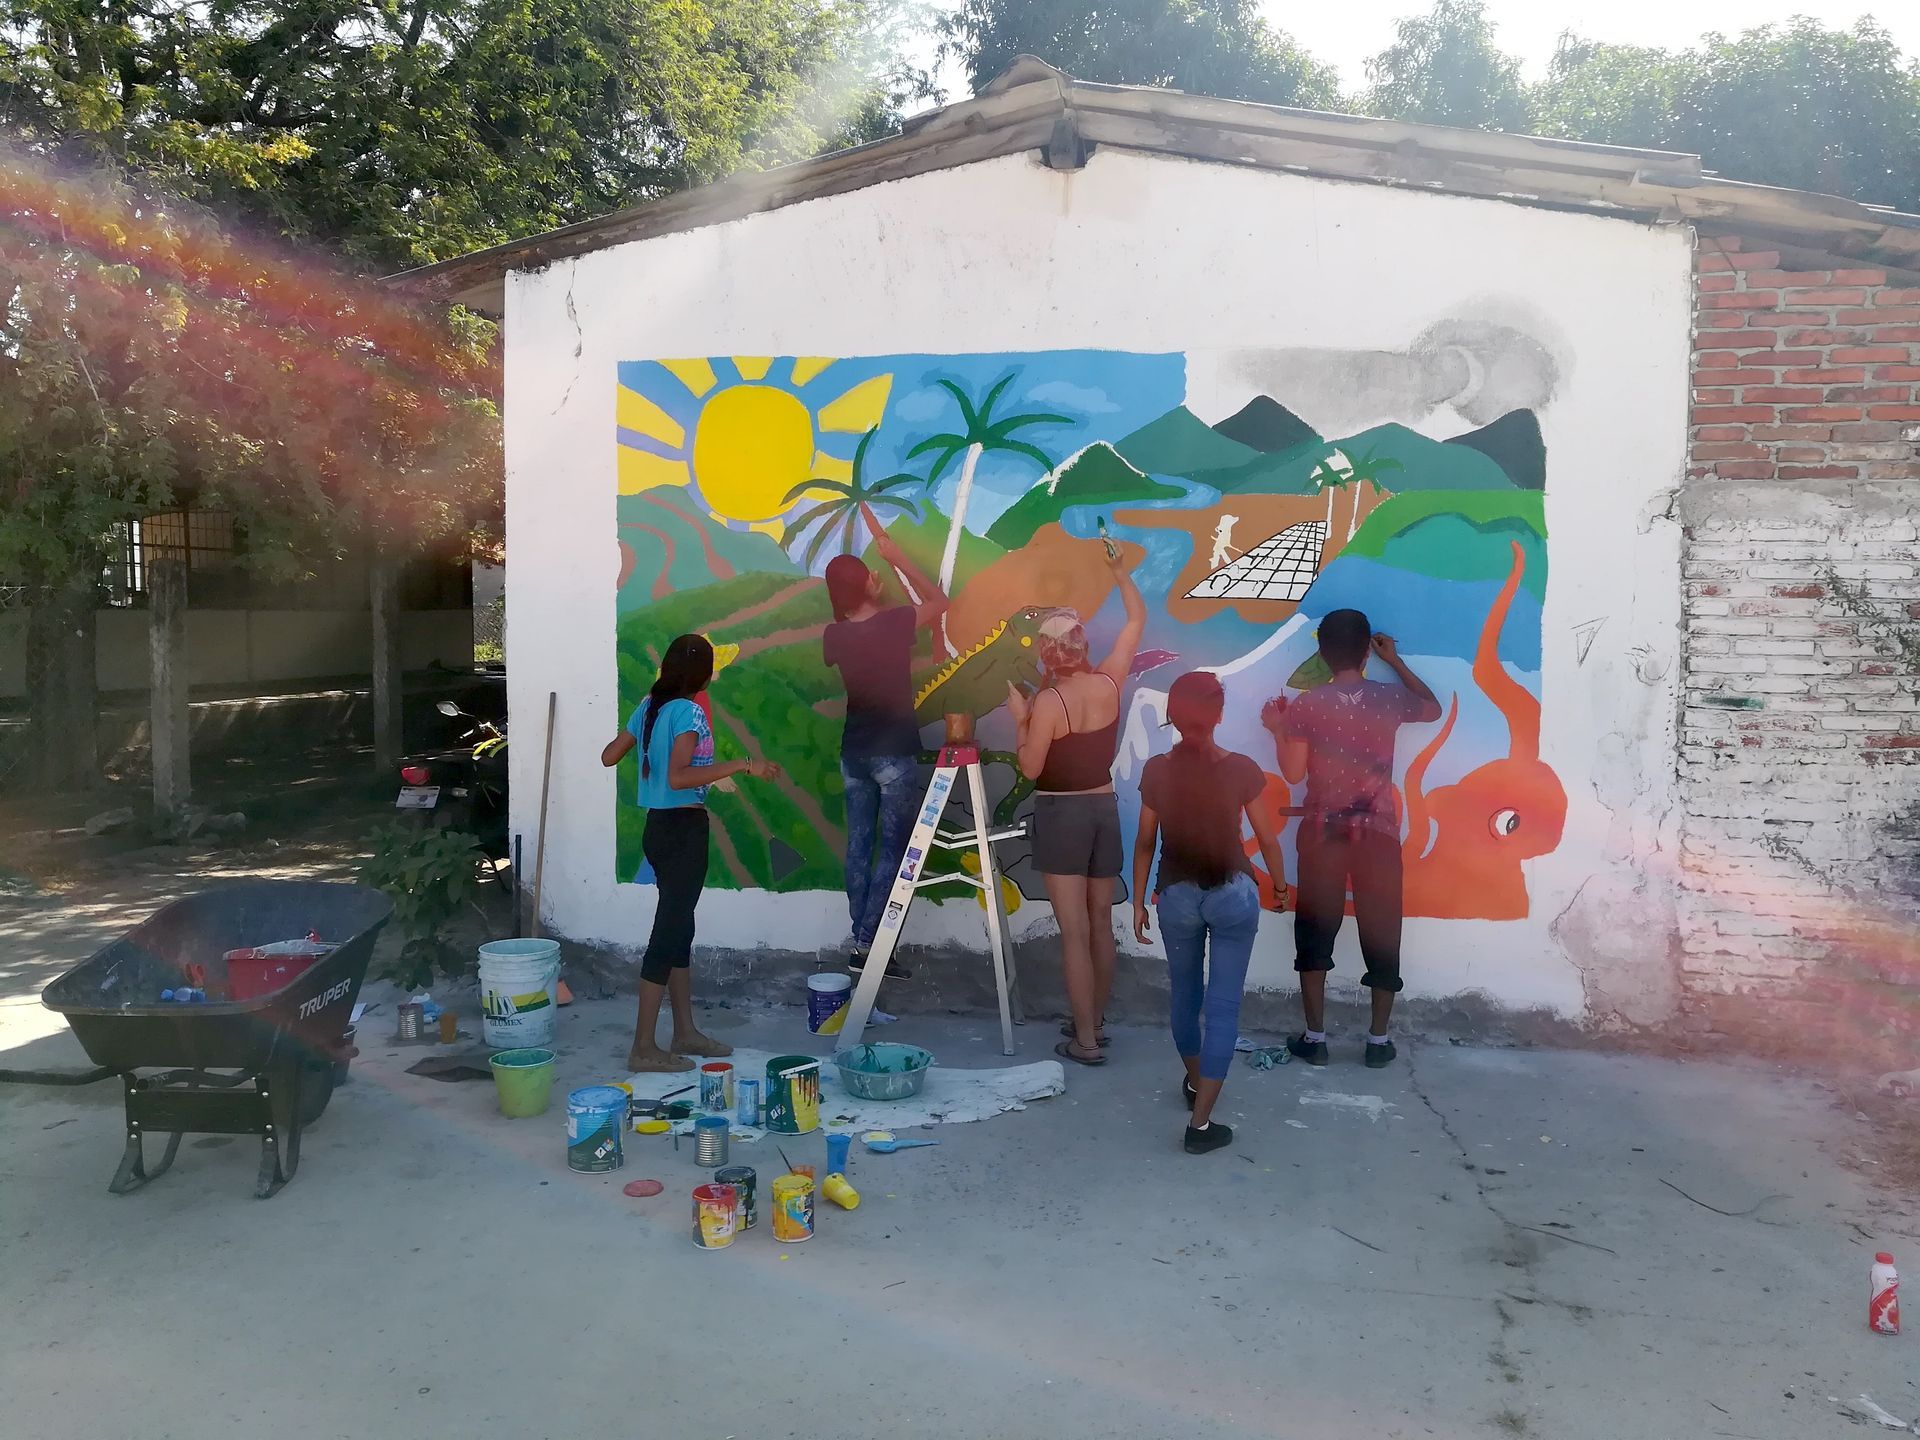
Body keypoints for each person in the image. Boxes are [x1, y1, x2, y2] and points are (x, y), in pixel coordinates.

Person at [1261, 609, 1441, 1069]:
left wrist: (1279, 730)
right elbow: (1432, 707)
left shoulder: (1307, 705)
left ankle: (1315, 1037)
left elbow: (1295, 772)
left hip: (1322, 832)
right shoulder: (1388, 699)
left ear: (1321, 653)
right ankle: (1378, 1041)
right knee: (1382, 930)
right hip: (1378, 834)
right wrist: (1396, 662)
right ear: (1367, 650)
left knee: (1315, 932)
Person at [601, 633, 781, 1072]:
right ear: (701, 675)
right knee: (668, 934)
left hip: (657, 830)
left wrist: (644, 734)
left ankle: (685, 1032)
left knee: (679, 927)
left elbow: (609, 757)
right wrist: (744, 765)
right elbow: (680, 777)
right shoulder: (689, 711)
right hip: (683, 830)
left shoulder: (650, 707)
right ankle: (643, 1047)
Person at [1132, 671, 1289, 1153]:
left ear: (1172, 718)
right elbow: (1266, 839)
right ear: (1219, 715)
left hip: (1176, 896)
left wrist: (1138, 900)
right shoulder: (1240, 768)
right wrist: (1279, 887)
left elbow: (1144, 842)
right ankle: (1201, 1125)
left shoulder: (1158, 769)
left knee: (1185, 997)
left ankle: (1197, 1081)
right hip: (1232, 894)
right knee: (1222, 1008)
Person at [1005, 549, 1146, 1067]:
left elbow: (1031, 769)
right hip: (1103, 810)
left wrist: (1021, 720)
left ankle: (1084, 1041)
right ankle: (1097, 1022)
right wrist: (1117, 572)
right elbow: (1136, 619)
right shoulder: (1109, 682)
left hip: (1062, 817)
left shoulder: (1048, 703)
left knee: (1074, 933)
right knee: (1100, 925)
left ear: (1046, 654)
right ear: (1082, 646)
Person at [821, 516, 949, 979]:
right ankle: (868, 945)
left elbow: (855, 623)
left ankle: (862, 940)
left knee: (859, 848)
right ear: (867, 586)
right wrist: (899, 561)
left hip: (853, 753)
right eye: (871, 574)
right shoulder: (895, 622)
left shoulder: (834, 636)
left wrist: (871, 590)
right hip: (893, 752)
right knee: (893, 852)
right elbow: (940, 602)